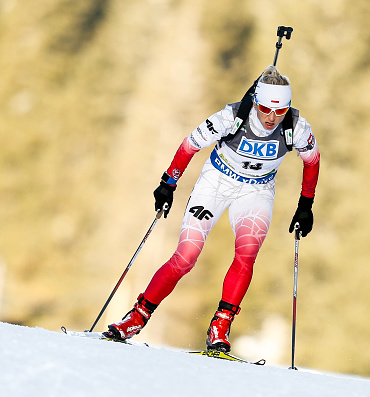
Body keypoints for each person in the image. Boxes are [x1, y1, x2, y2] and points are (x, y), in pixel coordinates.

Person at [104, 65, 320, 353]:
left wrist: (305, 204)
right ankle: (137, 316)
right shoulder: (230, 118)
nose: (271, 118)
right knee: (186, 257)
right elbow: (189, 145)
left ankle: (221, 324)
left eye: (279, 111)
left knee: (246, 255)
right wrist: (168, 183)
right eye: (266, 108)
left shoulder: (297, 127)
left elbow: (312, 161)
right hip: (216, 181)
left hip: (257, 191)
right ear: (256, 102)